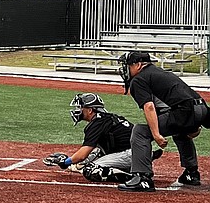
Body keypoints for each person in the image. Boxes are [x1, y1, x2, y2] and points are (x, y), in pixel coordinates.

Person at [117, 50, 210, 191]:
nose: (126, 69)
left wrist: (156, 134)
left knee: (140, 132)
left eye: (128, 65)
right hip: (201, 107)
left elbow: (149, 107)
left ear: (138, 65)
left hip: (185, 111)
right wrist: (195, 123)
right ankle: (192, 173)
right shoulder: (159, 73)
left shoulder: (139, 79)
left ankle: (142, 178)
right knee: (179, 130)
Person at [42, 92, 156, 183]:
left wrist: (65, 162)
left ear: (90, 110)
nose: (78, 110)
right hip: (139, 153)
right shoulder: (108, 118)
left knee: (91, 170)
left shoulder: (97, 123)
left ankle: (134, 177)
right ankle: (137, 169)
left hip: (132, 154)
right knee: (91, 161)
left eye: (81, 107)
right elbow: (97, 151)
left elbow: (82, 155)